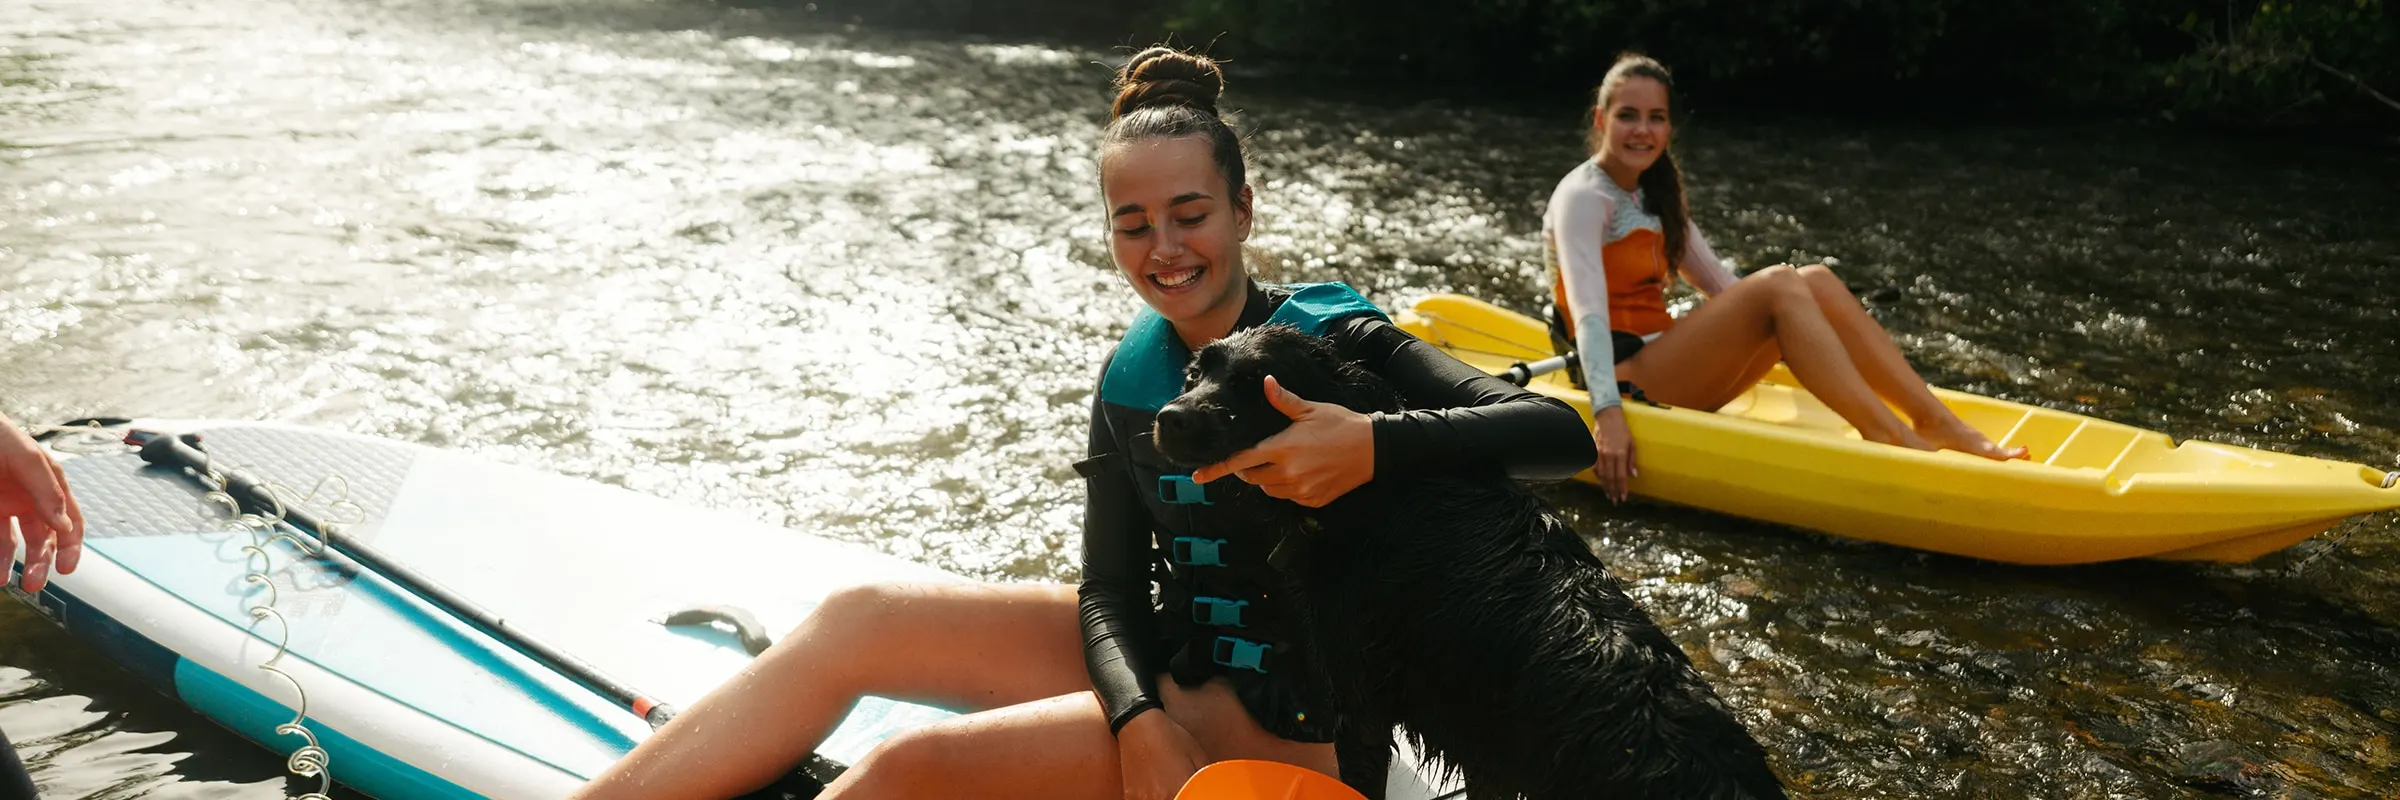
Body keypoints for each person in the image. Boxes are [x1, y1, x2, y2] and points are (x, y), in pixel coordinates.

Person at [570, 46, 1594, 800]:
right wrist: (1135, 717)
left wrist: (1372, 440)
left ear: (1245, 208)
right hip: (1175, 657)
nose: (1165, 247)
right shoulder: (1133, 372)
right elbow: (1110, 582)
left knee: (900, 770)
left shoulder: (1342, 343)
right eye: (1133, 221)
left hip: (1314, 721)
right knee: (861, 615)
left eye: (1190, 213)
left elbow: (1560, 435)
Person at [1546, 53, 2027, 504]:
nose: (1642, 130)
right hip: (1623, 378)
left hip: (1671, 365)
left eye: (1657, 118)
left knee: (1812, 280)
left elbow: (1726, 290)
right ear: (1600, 119)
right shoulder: (1585, 198)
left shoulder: (1657, 192)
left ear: (1670, 126)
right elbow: (1589, 317)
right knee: (1781, 283)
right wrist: (1607, 415)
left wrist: (1805, 331)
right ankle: (1890, 436)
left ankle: (1937, 422)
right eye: (1628, 115)